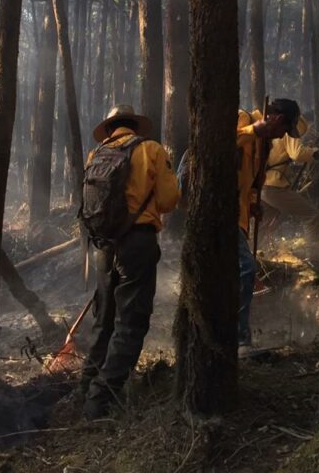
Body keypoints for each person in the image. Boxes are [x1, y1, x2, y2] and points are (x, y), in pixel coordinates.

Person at [81, 104, 180, 420]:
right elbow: (168, 201)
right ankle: (100, 401)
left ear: (110, 128)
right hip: (137, 243)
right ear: (134, 126)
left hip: (104, 246)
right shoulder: (151, 149)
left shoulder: (95, 155)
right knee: (130, 323)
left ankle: (84, 387)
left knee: (104, 319)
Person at [235, 98, 300, 353]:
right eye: (284, 130)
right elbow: (215, 146)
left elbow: (252, 183)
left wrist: (253, 202)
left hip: (238, 217)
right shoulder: (243, 119)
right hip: (219, 211)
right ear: (278, 120)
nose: (282, 136)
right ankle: (240, 339)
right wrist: (254, 130)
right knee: (245, 269)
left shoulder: (264, 148)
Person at [262, 114, 319, 251]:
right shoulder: (289, 132)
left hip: (262, 186)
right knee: (310, 215)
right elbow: (297, 154)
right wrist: (316, 153)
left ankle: (261, 257)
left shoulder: (272, 133)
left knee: (264, 225)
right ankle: (315, 257)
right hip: (273, 187)